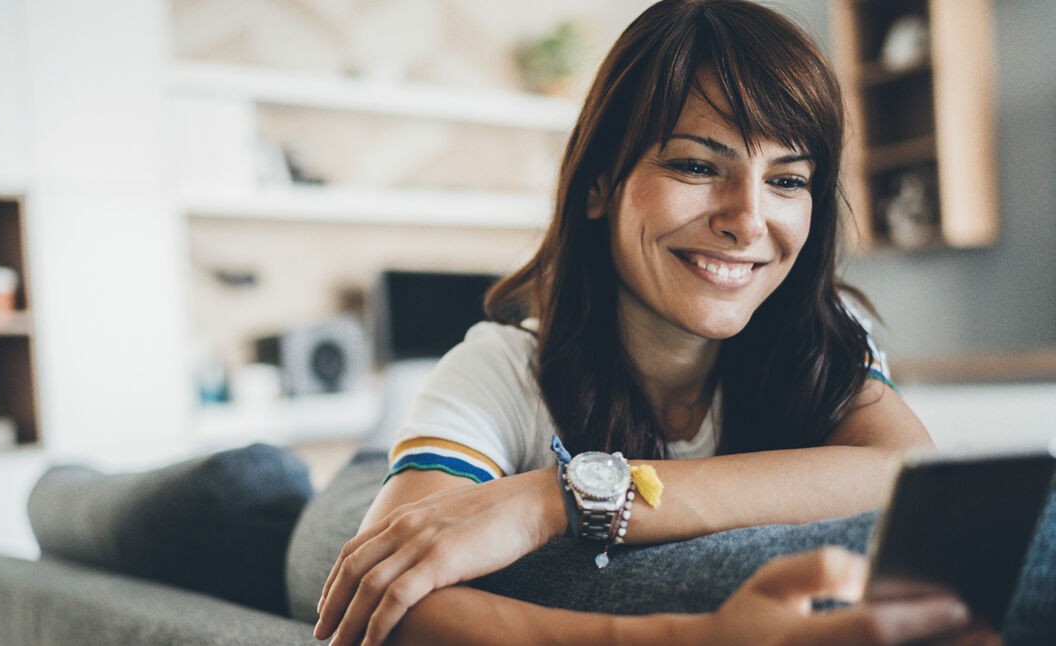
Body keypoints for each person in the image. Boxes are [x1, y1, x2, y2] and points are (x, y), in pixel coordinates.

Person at [313, 1, 997, 643]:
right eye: (698, 165)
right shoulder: (499, 368)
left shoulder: (825, 335)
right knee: (292, 516)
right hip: (364, 487)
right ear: (598, 187)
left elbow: (908, 474)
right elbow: (389, 601)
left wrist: (555, 501)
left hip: (519, 487)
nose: (748, 219)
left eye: (787, 180)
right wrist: (692, 637)